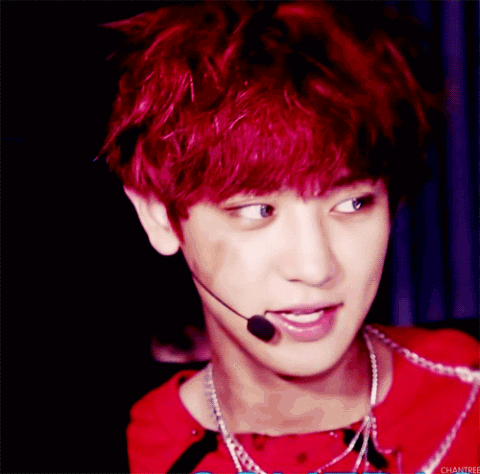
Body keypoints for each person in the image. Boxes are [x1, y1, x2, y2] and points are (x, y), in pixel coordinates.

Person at [99, 2, 480, 473]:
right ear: (158, 216)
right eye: (257, 211)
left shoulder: (467, 394)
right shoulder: (137, 446)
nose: (315, 268)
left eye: (352, 204)